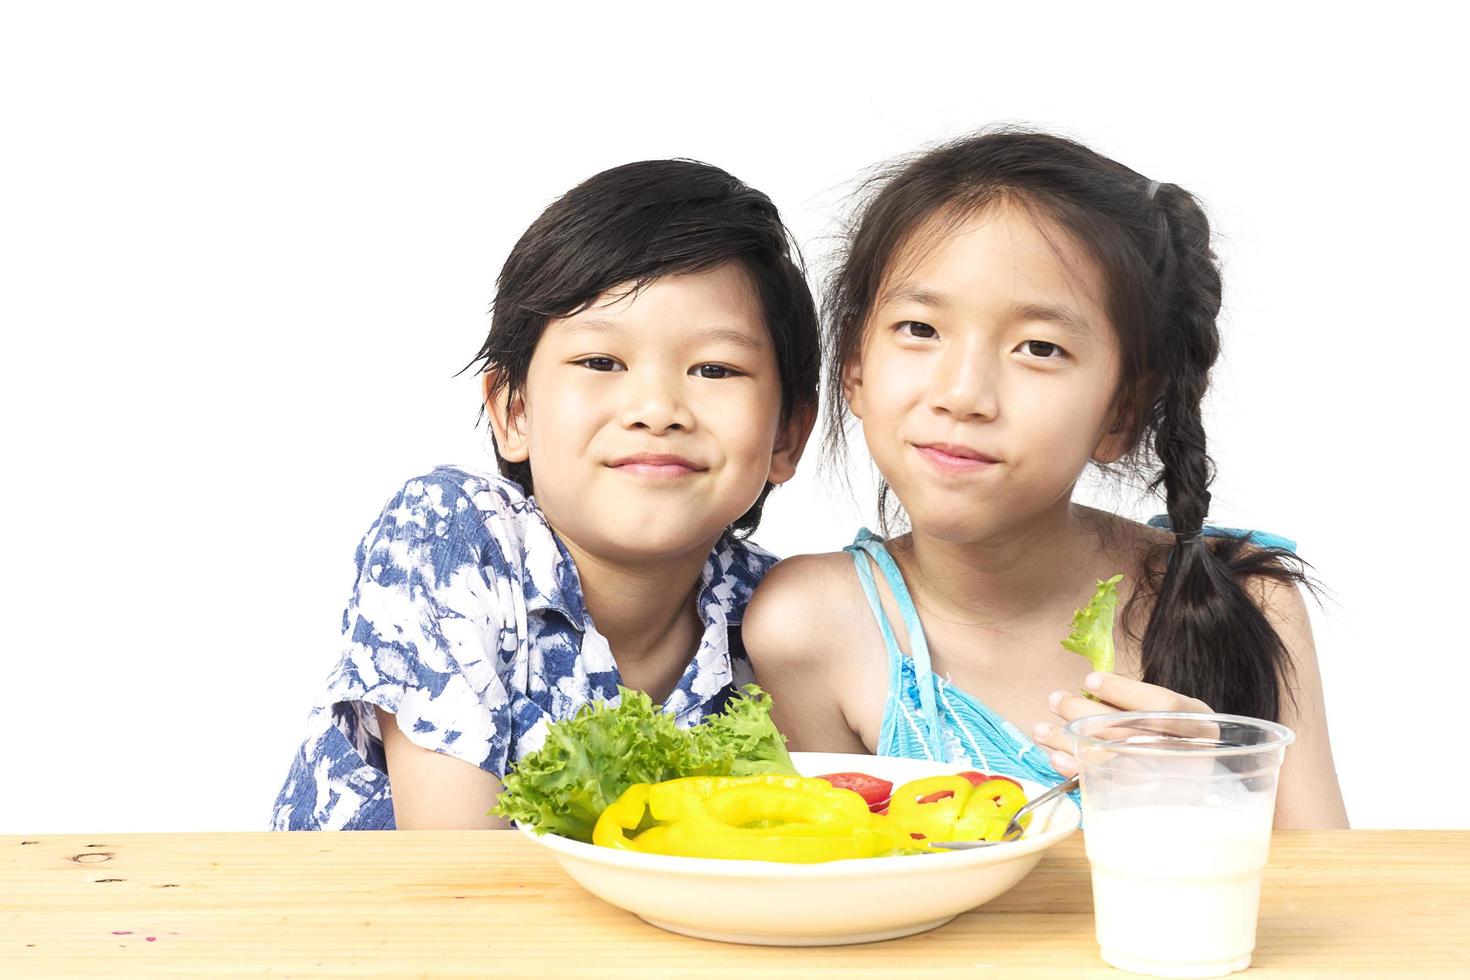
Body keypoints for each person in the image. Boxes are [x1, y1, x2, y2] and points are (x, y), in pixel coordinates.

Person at [743, 129, 1347, 828]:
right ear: (854, 366)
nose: (963, 393)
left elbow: (1335, 901)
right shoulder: (810, 628)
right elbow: (841, 888)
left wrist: (1217, 791)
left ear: (1121, 411)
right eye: (919, 329)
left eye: (1039, 347)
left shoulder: (1247, 603)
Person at [272, 159, 819, 829]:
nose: (656, 409)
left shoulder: (784, 619)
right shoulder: (452, 540)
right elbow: (459, 871)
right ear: (513, 412)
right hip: (379, 929)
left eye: (714, 368)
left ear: (787, 435)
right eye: (601, 362)